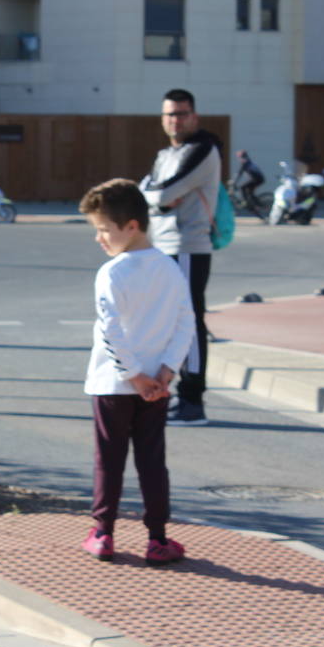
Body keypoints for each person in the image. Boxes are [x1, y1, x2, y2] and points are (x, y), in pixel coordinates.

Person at [78, 179, 194, 564]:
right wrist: (165, 372)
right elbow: (185, 323)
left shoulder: (112, 273)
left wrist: (131, 376)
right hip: (156, 387)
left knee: (108, 460)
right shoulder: (170, 269)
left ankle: (103, 533)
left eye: (104, 229)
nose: (99, 238)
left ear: (131, 226)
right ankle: (158, 538)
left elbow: (109, 329)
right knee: (151, 461)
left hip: (113, 385)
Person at [139, 88, 222, 426]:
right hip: (163, 245)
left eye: (182, 113)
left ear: (195, 116)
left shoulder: (204, 149)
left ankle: (193, 400)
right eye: (169, 114)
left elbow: (167, 192)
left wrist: (157, 197)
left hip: (189, 246)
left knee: (189, 322)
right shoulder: (164, 155)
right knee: (171, 322)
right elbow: (146, 191)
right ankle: (177, 395)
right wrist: (155, 198)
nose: (175, 120)